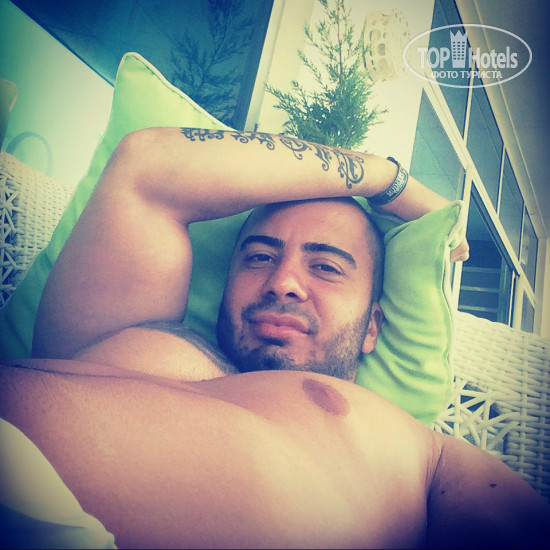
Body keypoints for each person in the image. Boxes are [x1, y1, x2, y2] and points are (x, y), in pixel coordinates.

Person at [0, 127, 548, 548]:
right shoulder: (133, 332)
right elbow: (147, 166)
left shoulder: (427, 460)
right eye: (260, 257)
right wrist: (384, 177)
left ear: (372, 328)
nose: (283, 281)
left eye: (326, 267)